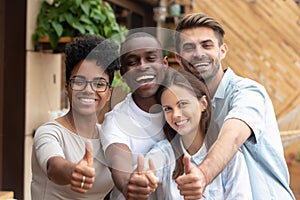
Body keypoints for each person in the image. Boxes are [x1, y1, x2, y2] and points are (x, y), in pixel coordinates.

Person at [174, 13, 295, 199]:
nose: (198, 54)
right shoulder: (183, 106)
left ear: (222, 51)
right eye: (189, 47)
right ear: (178, 57)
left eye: (207, 45)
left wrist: (203, 174)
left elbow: (233, 135)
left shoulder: (248, 92)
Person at [31, 35, 119, 199]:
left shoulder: (108, 138)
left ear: (109, 93)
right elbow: (54, 167)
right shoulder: (50, 133)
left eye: (99, 83)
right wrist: (73, 171)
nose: (88, 90)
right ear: (67, 88)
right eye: (79, 81)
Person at [141, 69, 252, 199]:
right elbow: (146, 171)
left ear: (203, 104)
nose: (176, 115)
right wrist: (142, 179)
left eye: (183, 104)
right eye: (168, 109)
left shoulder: (232, 158)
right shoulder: (163, 152)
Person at [100, 32, 168, 200]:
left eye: (151, 58)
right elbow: (118, 160)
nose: (142, 66)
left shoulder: (184, 109)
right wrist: (129, 182)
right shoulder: (116, 121)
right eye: (132, 62)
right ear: (123, 73)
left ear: (165, 64)